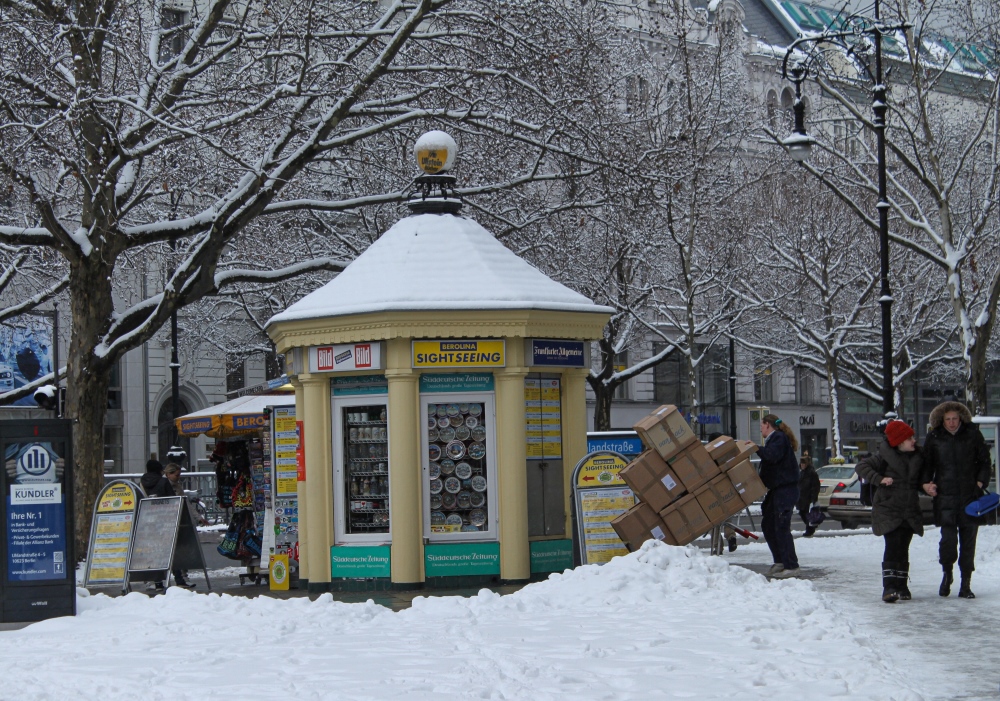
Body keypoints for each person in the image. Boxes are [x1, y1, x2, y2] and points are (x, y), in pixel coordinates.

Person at [920, 401, 991, 599]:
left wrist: (980, 483)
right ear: (942, 420)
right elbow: (927, 464)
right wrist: (927, 484)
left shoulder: (972, 434)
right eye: (948, 419)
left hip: (970, 496)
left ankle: (966, 583)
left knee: (968, 542)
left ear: (961, 418)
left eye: (954, 419)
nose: (951, 423)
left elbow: (985, 461)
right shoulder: (934, 437)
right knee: (948, 542)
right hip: (945, 497)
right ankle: (947, 574)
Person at [855, 420, 924, 603]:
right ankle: (889, 587)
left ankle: (902, 586)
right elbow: (861, 467)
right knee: (893, 546)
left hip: (909, 509)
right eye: (909, 438)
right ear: (899, 441)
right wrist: (879, 479)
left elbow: (919, 481)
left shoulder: (918, 457)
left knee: (903, 548)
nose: (913, 441)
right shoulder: (883, 457)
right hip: (889, 509)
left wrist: (927, 486)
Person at [756, 414, 801, 578]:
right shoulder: (775, 440)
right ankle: (780, 561)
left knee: (781, 526)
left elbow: (771, 456)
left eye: (761, 425)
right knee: (768, 525)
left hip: (785, 489)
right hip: (776, 490)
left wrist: (755, 448)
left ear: (768, 425)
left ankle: (791, 565)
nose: (760, 429)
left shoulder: (779, 438)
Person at [164, 463, 197, 589]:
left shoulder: (177, 486)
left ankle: (181, 576)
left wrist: (196, 517)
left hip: (178, 521)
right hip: (170, 521)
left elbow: (185, 502)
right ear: (168, 474)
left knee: (180, 550)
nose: (178, 477)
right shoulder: (165, 486)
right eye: (176, 475)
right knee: (175, 550)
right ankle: (180, 577)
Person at [797, 456, 821, 537]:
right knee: (802, 513)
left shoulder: (811, 473)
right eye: (801, 463)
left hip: (808, 497)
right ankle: (811, 527)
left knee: (807, 514)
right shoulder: (801, 472)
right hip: (801, 497)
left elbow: (816, 486)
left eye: (804, 463)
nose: (802, 465)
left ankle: (810, 529)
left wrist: (813, 497)